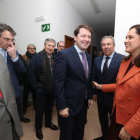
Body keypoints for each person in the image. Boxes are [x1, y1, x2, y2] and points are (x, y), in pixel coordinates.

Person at [92, 24, 140, 140]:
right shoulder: (125, 62)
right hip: (117, 114)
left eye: (130, 37)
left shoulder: (120, 59)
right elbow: (120, 85)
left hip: (132, 119)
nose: (125, 41)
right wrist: (99, 87)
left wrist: (131, 127)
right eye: (126, 37)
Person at [53, 24, 93, 140]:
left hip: (83, 103)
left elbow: (88, 79)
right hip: (68, 105)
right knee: (67, 135)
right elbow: (58, 83)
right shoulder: (64, 55)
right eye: (83, 36)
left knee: (79, 132)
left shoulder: (89, 57)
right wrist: (61, 106)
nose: (86, 39)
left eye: (89, 37)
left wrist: (89, 96)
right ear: (75, 37)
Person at [92, 36, 124, 140]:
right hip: (101, 97)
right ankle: (105, 136)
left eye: (109, 44)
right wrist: (94, 92)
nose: (106, 47)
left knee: (115, 122)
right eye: (103, 44)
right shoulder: (97, 59)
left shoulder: (122, 59)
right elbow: (94, 77)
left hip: (115, 97)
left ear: (114, 45)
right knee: (102, 120)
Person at [27, 38, 58, 140]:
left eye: (53, 46)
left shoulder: (56, 57)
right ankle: (38, 128)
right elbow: (30, 73)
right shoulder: (37, 57)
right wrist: (36, 87)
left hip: (52, 89)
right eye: (49, 45)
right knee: (40, 110)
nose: (51, 48)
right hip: (40, 89)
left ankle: (48, 123)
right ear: (44, 46)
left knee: (49, 107)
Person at [0, 23, 24, 140]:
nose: (10, 43)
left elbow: (22, 70)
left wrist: (14, 57)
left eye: (12, 40)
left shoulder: (13, 52)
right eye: (7, 39)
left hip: (14, 94)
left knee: (15, 123)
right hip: (2, 98)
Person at [16, 54, 31, 123]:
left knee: (20, 101)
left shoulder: (18, 56)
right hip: (7, 83)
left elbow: (23, 69)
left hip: (19, 82)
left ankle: (20, 116)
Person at [22, 44, 36, 114]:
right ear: (27, 49)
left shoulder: (38, 57)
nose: (32, 49)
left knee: (35, 93)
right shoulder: (23, 57)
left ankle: (35, 106)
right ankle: (24, 107)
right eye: (30, 48)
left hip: (35, 79)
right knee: (25, 94)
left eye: (33, 48)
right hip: (26, 79)